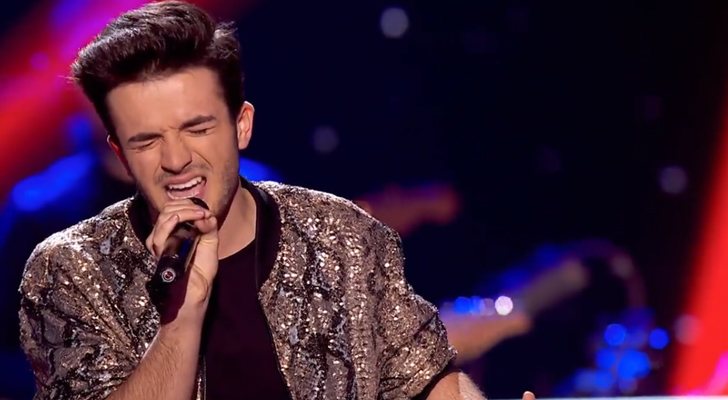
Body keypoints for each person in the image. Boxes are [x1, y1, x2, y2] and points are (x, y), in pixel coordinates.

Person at [18, 2, 535, 399]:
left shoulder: (341, 235)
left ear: (242, 125)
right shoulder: (69, 270)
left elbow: (425, 378)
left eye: (197, 129)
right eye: (148, 141)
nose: (176, 160)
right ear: (121, 155)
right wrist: (185, 307)